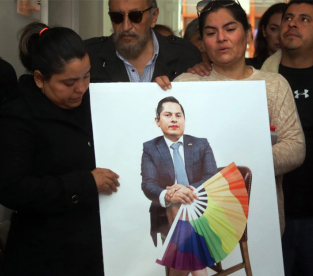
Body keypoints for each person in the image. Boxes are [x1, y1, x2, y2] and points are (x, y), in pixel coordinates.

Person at [156, 0, 306, 238]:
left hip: (259, 216)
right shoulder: (187, 84)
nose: (221, 38)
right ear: (203, 42)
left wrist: (233, 160)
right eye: (211, 33)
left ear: (248, 34)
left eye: (230, 29)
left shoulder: (273, 85)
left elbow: (295, 149)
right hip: (198, 212)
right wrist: (153, 95)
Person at [0, 22, 120, 275]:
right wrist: (84, 184)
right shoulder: (18, 115)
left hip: (95, 250)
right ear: (40, 79)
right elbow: (10, 188)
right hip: (45, 255)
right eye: (69, 82)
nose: (81, 88)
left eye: (86, 76)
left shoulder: (93, 100)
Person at [259, 0, 313, 275]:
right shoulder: (255, 80)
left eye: (305, 19)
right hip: (270, 215)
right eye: (288, 18)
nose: (292, 23)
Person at [141, 96, 216, 276]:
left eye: (178, 115)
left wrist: (186, 189)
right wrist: (168, 196)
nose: (174, 119)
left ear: (184, 120)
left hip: (203, 204)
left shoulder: (201, 144)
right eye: (168, 115)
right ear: (158, 121)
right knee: (177, 206)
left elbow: (211, 176)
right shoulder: (151, 148)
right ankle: (200, 273)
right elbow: (148, 184)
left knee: (182, 207)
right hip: (169, 210)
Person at [85, 0, 203, 83]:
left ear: (154, 16)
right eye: (117, 17)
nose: (126, 26)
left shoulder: (186, 55)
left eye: (135, 16)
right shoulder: (89, 56)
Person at [246, 3, 287, 69]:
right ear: (263, 30)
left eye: (285, 30)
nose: (279, 36)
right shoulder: (248, 67)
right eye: (274, 29)